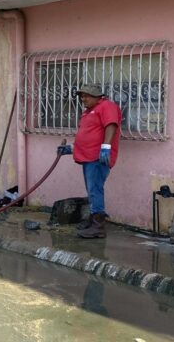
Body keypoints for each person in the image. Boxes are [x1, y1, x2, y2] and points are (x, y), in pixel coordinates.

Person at [57, 84, 121, 239]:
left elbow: (111, 124)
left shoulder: (106, 106)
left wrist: (106, 146)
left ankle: (98, 226)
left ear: (96, 96)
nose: (82, 99)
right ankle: (93, 220)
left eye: (86, 96)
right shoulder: (88, 112)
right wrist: (70, 149)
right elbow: (87, 137)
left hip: (99, 157)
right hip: (88, 156)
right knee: (92, 190)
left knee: (95, 189)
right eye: (81, 96)